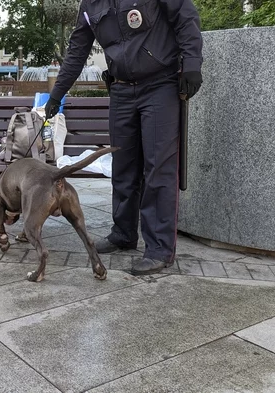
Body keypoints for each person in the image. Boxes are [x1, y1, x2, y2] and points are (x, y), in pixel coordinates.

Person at [45, 0, 203, 275]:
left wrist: (192, 63)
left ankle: (159, 249)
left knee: (158, 169)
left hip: (160, 85)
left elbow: (185, 16)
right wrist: (57, 94)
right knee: (122, 166)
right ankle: (124, 233)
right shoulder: (89, 5)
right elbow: (77, 50)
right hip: (120, 90)